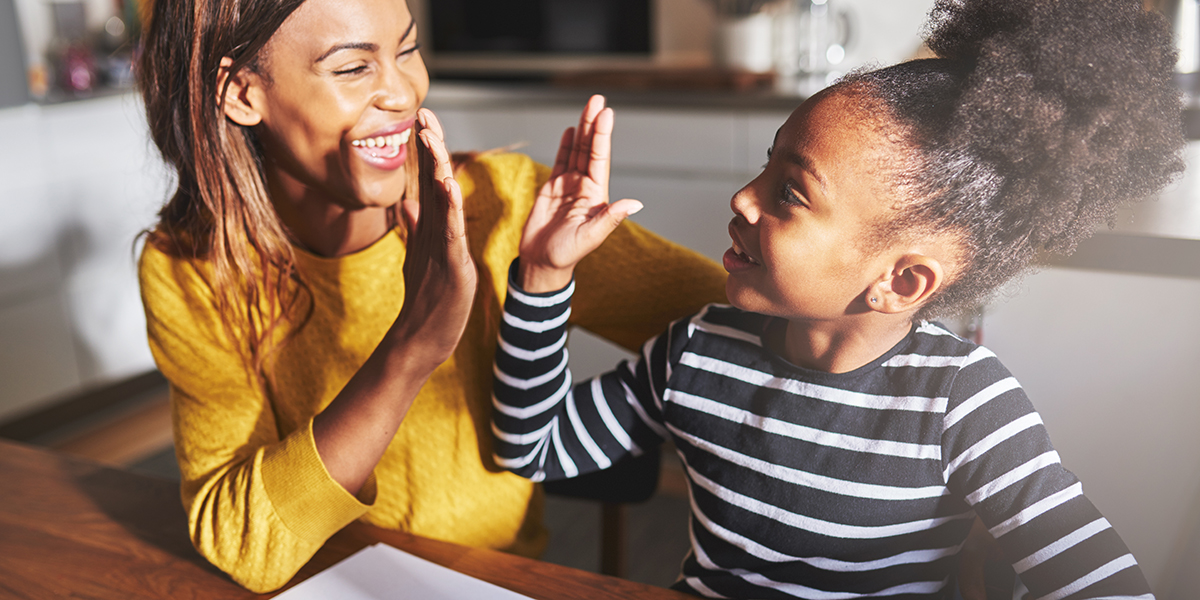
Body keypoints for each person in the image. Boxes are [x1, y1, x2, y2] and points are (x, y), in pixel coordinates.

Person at [490, 0, 1184, 597]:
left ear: (901, 282)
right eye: (767, 163)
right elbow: (533, 449)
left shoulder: (962, 402)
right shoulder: (697, 348)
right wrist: (545, 278)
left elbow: (1104, 584)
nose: (742, 197)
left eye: (790, 191)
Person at [134, 0, 728, 592]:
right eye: (352, 68)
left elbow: (765, 328)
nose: (403, 92)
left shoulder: (508, 205)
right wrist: (411, 348)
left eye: (408, 49)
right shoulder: (191, 268)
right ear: (241, 93)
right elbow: (243, 544)